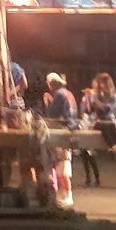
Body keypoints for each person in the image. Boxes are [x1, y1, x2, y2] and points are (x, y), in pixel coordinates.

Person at [42, 72, 78, 208]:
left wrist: (47, 102)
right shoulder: (68, 93)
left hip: (62, 129)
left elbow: (51, 114)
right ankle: (63, 195)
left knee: (61, 167)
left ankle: (67, 196)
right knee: (62, 167)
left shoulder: (59, 95)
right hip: (71, 127)